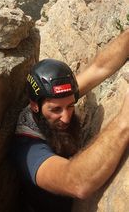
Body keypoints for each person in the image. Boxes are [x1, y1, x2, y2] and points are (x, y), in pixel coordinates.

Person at [10, 29, 129, 212]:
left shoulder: (55, 98)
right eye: (56, 110)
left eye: (71, 106)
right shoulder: (28, 148)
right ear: (35, 106)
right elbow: (76, 183)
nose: (66, 117)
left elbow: (100, 67)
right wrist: (124, 122)